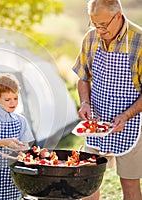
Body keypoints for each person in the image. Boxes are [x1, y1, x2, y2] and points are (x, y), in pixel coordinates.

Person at [73, 0, 142, 199]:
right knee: (89, 181)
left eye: (103, 25)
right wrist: (85, 102)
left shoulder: (138, 40)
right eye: (94, 24)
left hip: (130, 124)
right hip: (96, 122)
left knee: (129, 184)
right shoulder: (90, 38)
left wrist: (126, 115)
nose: (99, 30)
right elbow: (83, 77)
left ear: (118, 16)